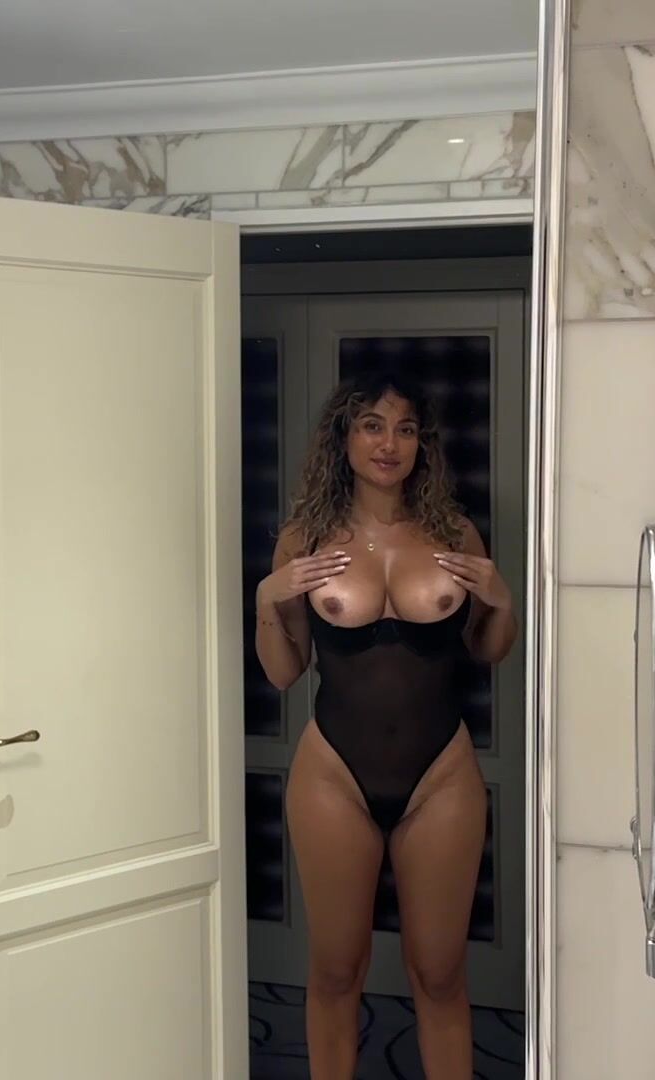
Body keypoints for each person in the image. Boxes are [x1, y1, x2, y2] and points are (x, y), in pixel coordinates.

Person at [254, 370, 517, 1080]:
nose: (389, 443)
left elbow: (487, 652)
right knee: (337, 970)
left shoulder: (452, 532)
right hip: (333, 775)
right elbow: (283, 672)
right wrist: (267, 598)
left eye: (405, 429)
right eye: (372, 425)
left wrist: (501, 600)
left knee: (440, 973)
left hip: (442, 775)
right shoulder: (305, 540)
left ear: (421, 444)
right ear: (343, 438)